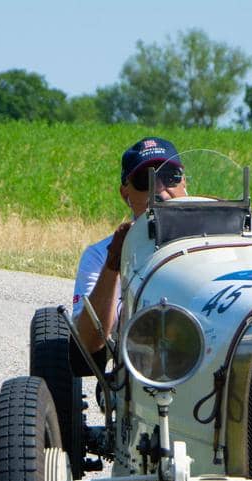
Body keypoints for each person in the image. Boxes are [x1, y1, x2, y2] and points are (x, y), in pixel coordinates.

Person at [70, 136, 187, 356]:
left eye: (169, 177)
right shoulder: (99, 256)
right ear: (126, 194)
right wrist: (113, 263)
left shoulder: (216, 243)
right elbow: (88, 342)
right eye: (145, 180)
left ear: (184, 183)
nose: (160, 190)